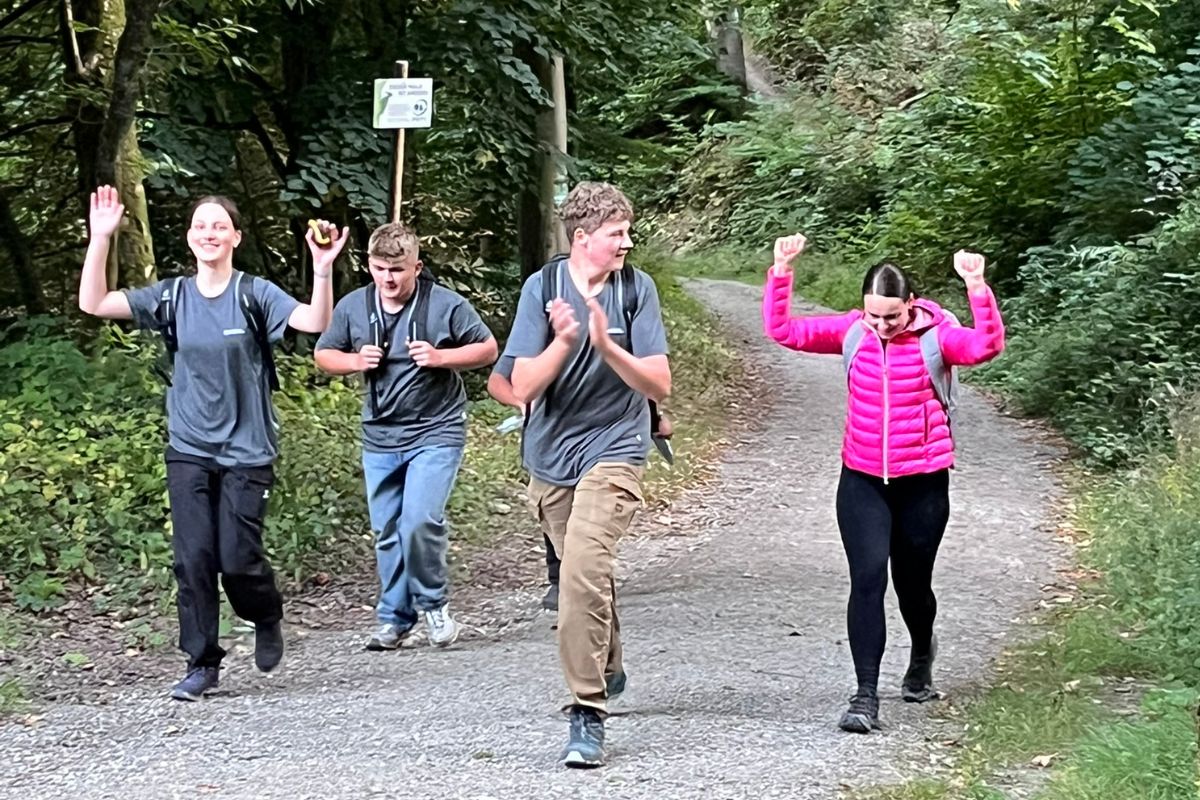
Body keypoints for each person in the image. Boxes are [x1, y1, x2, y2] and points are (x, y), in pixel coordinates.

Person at [78, 186, 342, 701]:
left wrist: (323, 269)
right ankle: (201, 663)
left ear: (236, 237)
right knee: (193, 557)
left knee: (237, 558)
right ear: (189, 237)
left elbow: (316, 322)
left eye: (219, 226)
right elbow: (94, 303)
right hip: (189, 447)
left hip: (248, 449)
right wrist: (101, 237)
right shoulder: (172, 296)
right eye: (201, 226)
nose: (209, 233)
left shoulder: (254, 293)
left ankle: (264, 614)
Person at [762, 234, 1005, 733]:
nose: (881, 325)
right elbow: (783, 330)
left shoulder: (937, 338)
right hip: (862, 479)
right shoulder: (854, 332)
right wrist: (782, 271)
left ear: (910, 304)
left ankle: (921, 655)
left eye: (891, 316)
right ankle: (865, 695)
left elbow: (986, 346)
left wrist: (977, 287)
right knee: (868, 579)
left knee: (913, 585)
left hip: (923, 483)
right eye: (873, 315)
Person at [504, 181, 670, 768]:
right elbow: (520, 387)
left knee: (580, 571)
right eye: (617, 233)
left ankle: (586, 710)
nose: (627, 242)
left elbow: (659, 383)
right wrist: (566, 340)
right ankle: (608, 660)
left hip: (617, 446)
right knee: (585, 573)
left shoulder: (636, 289)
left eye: (628, 231)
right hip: (550, 456)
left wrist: (607, 346)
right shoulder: (541, 288)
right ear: (582, 237)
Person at [314, 222, 497, 651]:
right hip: (380, 435)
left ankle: (434, 605)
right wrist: (355, 361)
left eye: (397, 270)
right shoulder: (355, 306)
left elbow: (487, 349)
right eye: (380, 269)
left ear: (417, 266)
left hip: (436, 429)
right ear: (369, 266)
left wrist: (440, 357)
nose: (389, 279)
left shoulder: (444, 304)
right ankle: (394, 618)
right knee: (387, 530)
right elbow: (324, 354)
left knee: (418, 520)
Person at [486, 356, 561, 611]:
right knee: (550, 505)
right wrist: (521, 402)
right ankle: (560, 578)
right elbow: (497, 381)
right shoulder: (535, 339)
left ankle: (590, 574)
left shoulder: (606, 337)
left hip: (597, 436)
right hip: (547, 440)